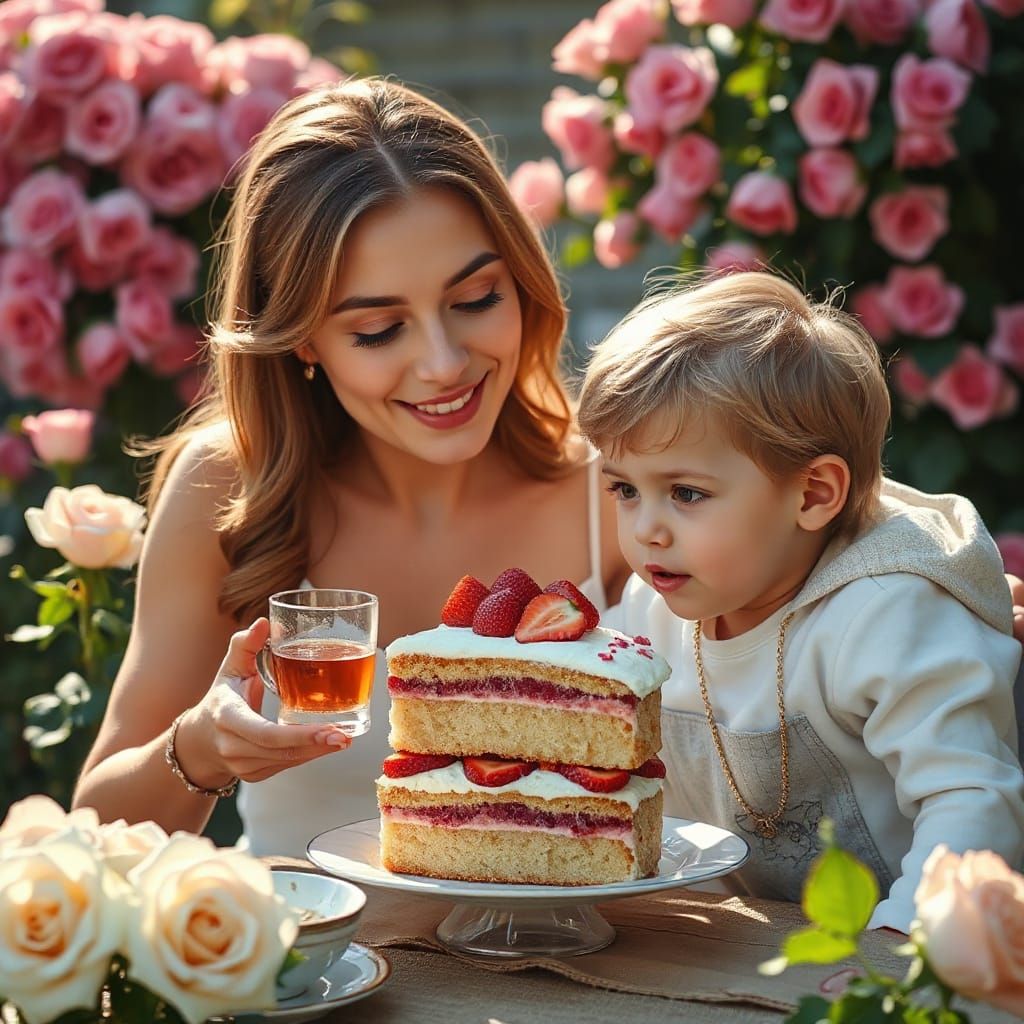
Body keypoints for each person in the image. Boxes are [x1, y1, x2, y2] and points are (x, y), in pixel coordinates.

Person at [71, 78, 629, 855]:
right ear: (302, 338)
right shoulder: (226, 488)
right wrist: (200, 749)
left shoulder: (615, 491)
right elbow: (94, 829)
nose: (443, 363)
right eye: (377, 330)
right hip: (307, 969)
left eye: (476, 299)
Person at [579, 271, 1024, 934]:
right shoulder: (652, 609)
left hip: (905, 958)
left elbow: (972, 799)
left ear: (813, 494)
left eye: (687, 493)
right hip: (756, 942)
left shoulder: (887, 612)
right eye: (624, 490)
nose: (647, 529)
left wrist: (905, 950)